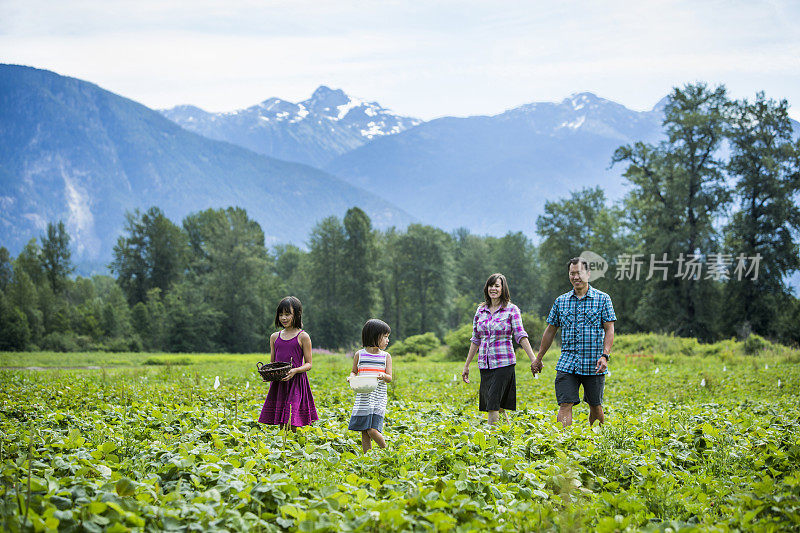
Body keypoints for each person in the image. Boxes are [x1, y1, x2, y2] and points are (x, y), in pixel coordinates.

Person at [533, 258, 616, 427]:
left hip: (594, 362)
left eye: (579, 273)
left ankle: (597, 441)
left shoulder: (602, 299)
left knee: (595, 405)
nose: (576, 276)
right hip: (568, 361)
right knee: (565, 403)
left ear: (588, 274)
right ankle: (565, 443)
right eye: (572, 273)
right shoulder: (561, 301)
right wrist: (539, 357)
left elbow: (609, 329)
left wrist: (605, 355)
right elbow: (550, 331)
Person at [462, 273, 538, 426]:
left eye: (497, 285)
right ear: (486, 288)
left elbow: (521, 336)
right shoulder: (480, 311)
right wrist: (467, 365)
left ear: (503, 288)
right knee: (498, 404)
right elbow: (475, 339)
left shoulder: (511, 310)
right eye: (491, 285)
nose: (493, 289)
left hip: (504, 363)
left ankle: (493, 441)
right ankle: (507, 434)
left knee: (492, 403)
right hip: (485, 364)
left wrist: (534, 359)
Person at [258, 296, 318, 431]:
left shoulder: (303, 336)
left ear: (297, 314)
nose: (283, 318)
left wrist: (295, 371)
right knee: (281, 419)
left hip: (296, 382)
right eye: (281, 314)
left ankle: (294, 447)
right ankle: (284, 448)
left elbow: (309, 364)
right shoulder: (274, 337)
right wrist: (268, 375)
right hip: (279, 383)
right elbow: (272, 363)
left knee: (291, 419)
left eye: (287, 314)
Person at [348, 319, 393, 453]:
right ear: (374, 336)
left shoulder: (386, 356)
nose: (387, 340)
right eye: (385, 337)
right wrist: (351, 377)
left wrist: (383, 376)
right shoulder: (359, 355)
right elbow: (354, 371)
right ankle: (367, 458)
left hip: (378, 397)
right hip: (363, 397)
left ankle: (387, 451)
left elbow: (389, 378)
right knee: (364, 430)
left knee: (372, 430)